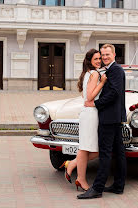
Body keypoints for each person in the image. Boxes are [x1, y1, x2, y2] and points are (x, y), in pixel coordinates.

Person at [77, 44, 126, 199]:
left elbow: (114, 93)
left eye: (106, 55)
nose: (104, 58)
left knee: (105, 154)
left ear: (114, 54)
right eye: (102, 55)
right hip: (113, 117)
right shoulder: (107, 70)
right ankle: (118, 185)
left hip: (109, 118)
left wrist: (96, 104)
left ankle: (97, 188)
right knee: (118, 153)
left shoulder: (115, 70)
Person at [60, 48, 107, 191]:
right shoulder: (94, 74)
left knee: (92, 148)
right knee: (86, 148)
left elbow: (84, 96)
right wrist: (102, 82)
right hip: (91, 113)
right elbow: (90, 96)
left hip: (89, 112)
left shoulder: (87, 73)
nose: (99, 61)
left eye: (100, 58)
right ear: (90, 61)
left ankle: (72, 164)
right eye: (96, 59)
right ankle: (80, 178)